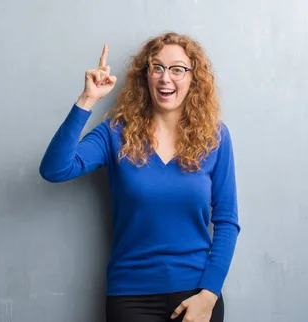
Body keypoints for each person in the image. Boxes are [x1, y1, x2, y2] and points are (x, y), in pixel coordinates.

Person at [38, 32, 240, 322]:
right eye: (157, 67)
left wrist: (209, 295)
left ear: (194, 78)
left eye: (177, 69)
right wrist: (87, 99)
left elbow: (227, 221)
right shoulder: (115, 133)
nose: (165, 77)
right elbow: (54, 169)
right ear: (145, 76)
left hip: (196, 297)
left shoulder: (216, 137)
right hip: (130, 298)